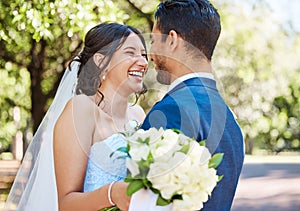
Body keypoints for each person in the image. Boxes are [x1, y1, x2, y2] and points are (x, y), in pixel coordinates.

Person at [4, 22, 148, 211]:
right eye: (130, 53)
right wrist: (112, 194)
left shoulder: (138, 114)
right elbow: (66, 204)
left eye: (144, 55)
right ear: (100, 60)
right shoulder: (80, 110)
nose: (143, 62)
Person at [140, 0, 245, 210]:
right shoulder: (230, 120)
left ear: (171, 40)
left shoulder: (171, 111)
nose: (150, 55)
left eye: (153, 41)